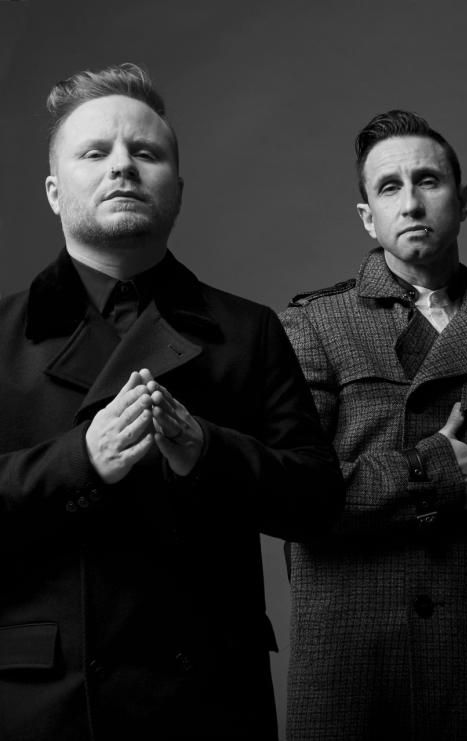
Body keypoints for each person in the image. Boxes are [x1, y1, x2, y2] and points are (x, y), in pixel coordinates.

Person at [0, 63, 342, 740]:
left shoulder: (247, 330)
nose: (122, 166)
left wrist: (208, 452)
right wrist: (79, 459)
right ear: (53, 191)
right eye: (95, 153)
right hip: (47, 700)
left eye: (145, 152)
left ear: (177, 190)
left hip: (207, 693)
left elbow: (316, 501)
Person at [281, 109, 467, 740]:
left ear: (463, 200)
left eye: (429, 181)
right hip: (352, 659)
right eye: (389, 187)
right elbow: (294, 496)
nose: (412, 202)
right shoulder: (314, 324)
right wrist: (439, 476)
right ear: (368, 216)